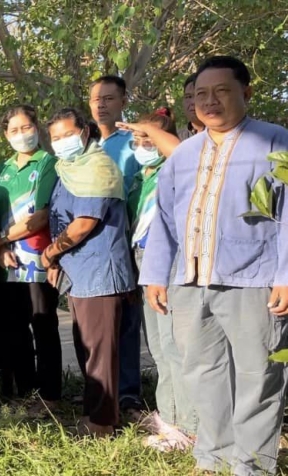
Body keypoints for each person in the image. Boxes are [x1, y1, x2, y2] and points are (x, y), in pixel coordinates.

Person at [141, 56, 288, 475]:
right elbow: (165, 219)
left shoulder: (275, 142)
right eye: (201, 93)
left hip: (254, 279)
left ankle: (253, 466)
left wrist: (286, 275)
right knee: (202, 372)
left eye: (221, 91)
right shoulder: (184, 154)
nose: (210, 101)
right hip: (190, 281)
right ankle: (214, 457)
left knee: (258, 376)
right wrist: (155, 274)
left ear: (246, 93)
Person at [41, 108, 134, 437]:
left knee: (100, 351)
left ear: (85, 132)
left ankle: (103, 422)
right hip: (80, 272)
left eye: (68, 134)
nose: (62, 142)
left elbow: (83, 225)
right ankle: (96, 412)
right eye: (55, 138)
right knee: (87, 347)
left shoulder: (96, 166)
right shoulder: (68, 169)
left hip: (99, 271)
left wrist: (49, 254)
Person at [115, 110, 196, 451]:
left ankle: (191, 428)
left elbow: (180, 152)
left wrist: (148, 128)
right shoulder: (140, 180)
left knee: (177, 346)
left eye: (149, 138)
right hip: (145, 264)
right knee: (160, 348)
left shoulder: (177, 167)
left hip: (172, 263)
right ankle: (171, 416)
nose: (142, 145)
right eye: (137, 140)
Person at [0, 105, 62, 407]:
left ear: (37, 128)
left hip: (38, 262)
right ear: (5, 135)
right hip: (6, 265)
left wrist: (3, 239)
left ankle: (51, 395)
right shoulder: (0, 171)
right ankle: (26, 391)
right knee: (15, 328)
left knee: (43, 325)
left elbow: (41, 215)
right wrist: (0, 248)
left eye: (26, 127)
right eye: (14, 130)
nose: (21, 135)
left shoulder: (48, 163)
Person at [88, 75, 142, 419]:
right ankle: (103, 392)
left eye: (109, 98)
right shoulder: (91, 149)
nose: (101, 105)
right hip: (98, 250)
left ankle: (129, 396)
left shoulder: (135, 144)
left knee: (128, 323)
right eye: (96, 100)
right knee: (105, 326)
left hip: (132, 243)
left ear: (124, 101)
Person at [178, 74, 205, 140]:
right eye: (188, 97)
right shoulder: (176, 139)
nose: (193, 102)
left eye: (198, 96)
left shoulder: (223, 135)